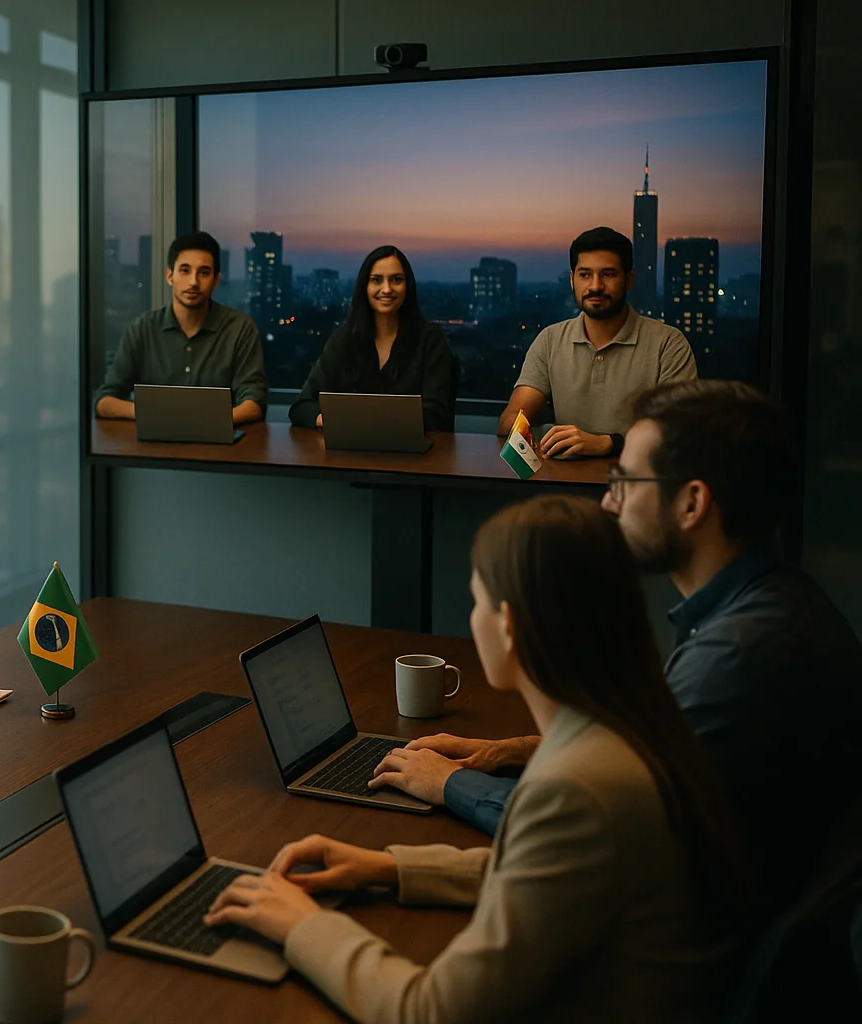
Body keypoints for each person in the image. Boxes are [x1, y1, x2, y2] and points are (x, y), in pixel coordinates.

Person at [203, 495, 744, 1022]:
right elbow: (549, 880)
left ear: (508, 626)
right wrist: (392, 867)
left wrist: (301, 925)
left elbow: (429, 1009)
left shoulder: (577, 787)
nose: (473, 617)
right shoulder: (630, 729)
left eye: (477, 600)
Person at [372, 380, 862, 921]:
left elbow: (596, 830)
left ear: (692, 502)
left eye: (625, 481)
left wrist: (452, 784)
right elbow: (647, 753)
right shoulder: (762, 605)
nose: (609, 500)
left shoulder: (741, 657)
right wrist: (509, 750)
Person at [497, 226, 696, 459]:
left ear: (628, 279)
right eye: (585, 274)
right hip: (566, 483)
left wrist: (609, 443)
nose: (595, 287)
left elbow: (682, 433)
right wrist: (542, 441)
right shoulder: (550, 340)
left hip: (638, 485)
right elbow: (509, 422)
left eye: (608, 274)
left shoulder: (668, 344)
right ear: (572, 280)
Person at [94, 231, 267, 424]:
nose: (193, 282)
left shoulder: (239, 328)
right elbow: (105, 400)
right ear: (170, 276)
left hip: (218, 445)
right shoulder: (143, 329)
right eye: (184, 271)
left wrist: (203, 422)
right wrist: (157, 416)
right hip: (153, 445)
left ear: (216, 281)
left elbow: (255, 403)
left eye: (204, 273)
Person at [289, 245, 455, 432]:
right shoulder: (344, 340)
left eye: (396, 280)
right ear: (364, 287)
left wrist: (360, 421)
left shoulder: (430, 341)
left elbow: (436, 415)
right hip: (349, 453)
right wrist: (327, 420)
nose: (387, 289)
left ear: (408, 286)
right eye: (376, 280)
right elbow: (302, 407)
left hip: (412, 456)